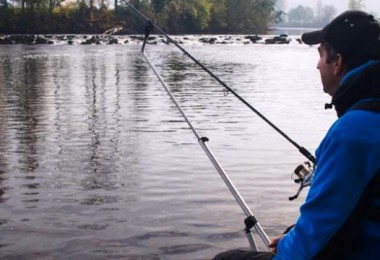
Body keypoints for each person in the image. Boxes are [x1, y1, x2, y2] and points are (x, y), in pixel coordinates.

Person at [212, 10, 380, 260]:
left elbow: (310, 246)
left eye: (321, 55)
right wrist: (293, 234)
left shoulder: (354, 130)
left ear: (338, 62)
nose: (317, 65)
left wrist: (289, 246)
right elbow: (350, 212)